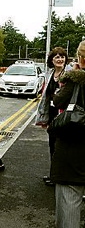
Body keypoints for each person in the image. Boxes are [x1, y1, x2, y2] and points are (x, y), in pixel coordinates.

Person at [50, 40, 85, 228]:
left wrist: (72, 74)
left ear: (80, 58)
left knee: (69, 206)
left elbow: (58, 101)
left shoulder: (76, 80)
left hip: (74, 150)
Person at [35, 47, 70, 186]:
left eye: (62, 56)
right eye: (56, 57)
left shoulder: (70, 73)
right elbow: (45, 96)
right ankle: (54, 175)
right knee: (52, 146)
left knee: (61, 147)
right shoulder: (50, 74)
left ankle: (61, 176)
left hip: (65, 114)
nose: (60, 59)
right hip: (52, 114)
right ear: (51, 60)